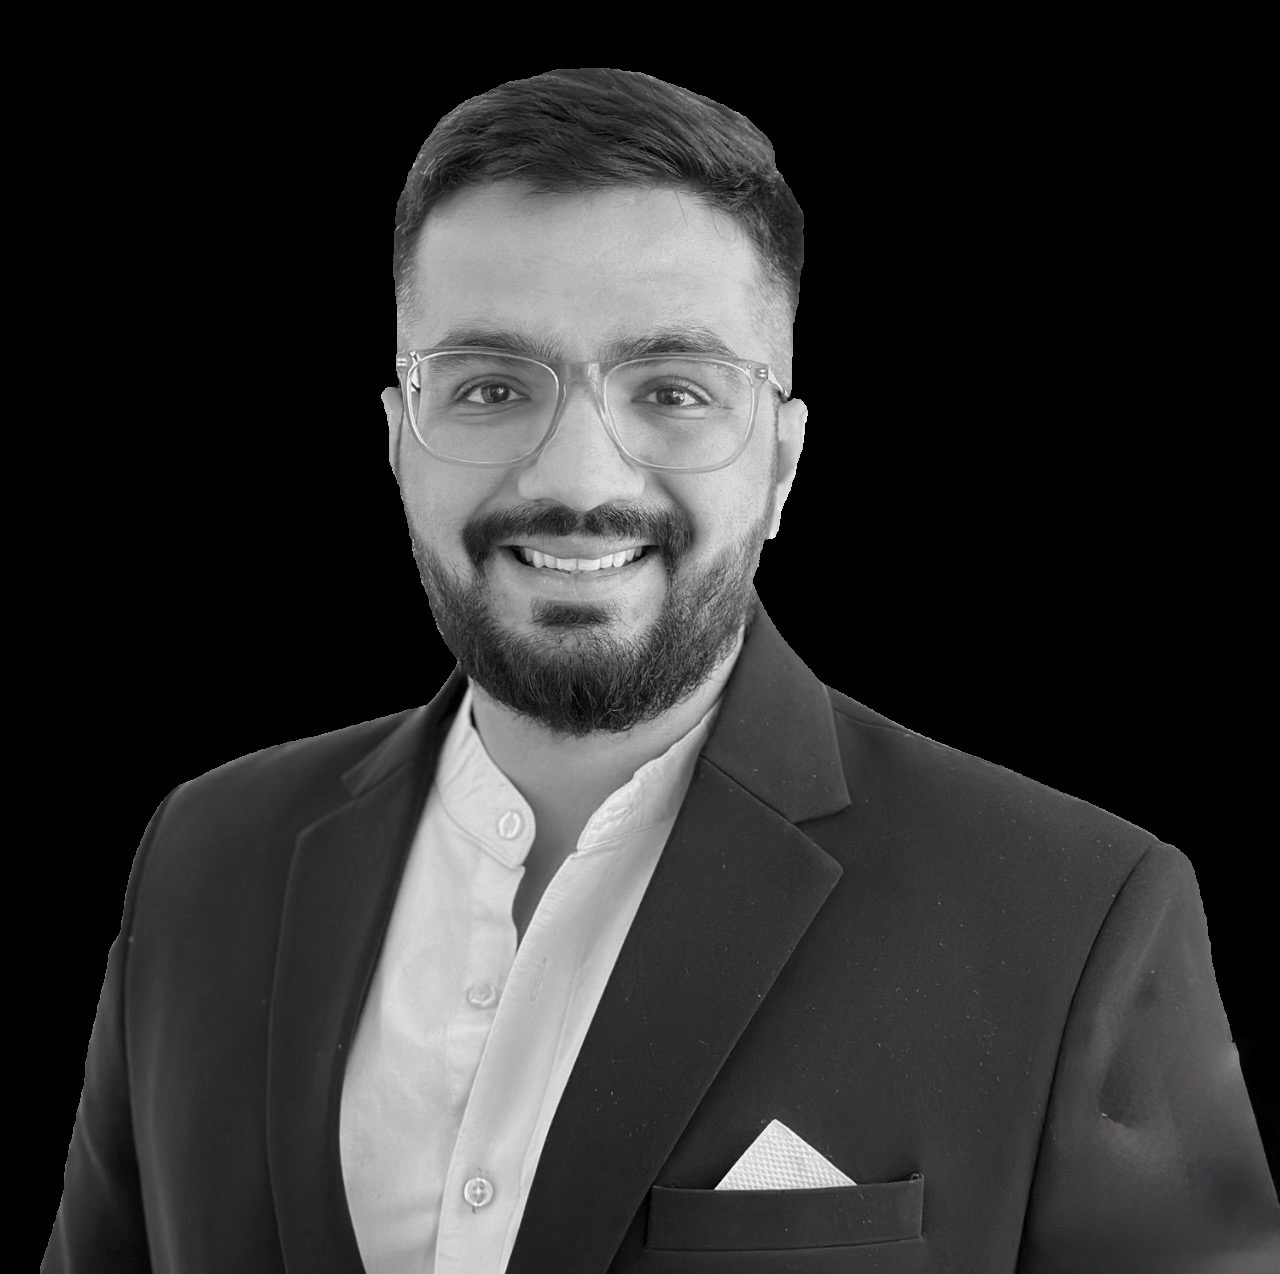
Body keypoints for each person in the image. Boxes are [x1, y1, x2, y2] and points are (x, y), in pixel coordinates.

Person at [45, 67, 1278, 1274]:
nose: (577, 477)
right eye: (488, 386)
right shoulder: (200, 857)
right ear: (397, 443)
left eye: (673, 389)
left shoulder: (1073, 916)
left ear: (781, 463)